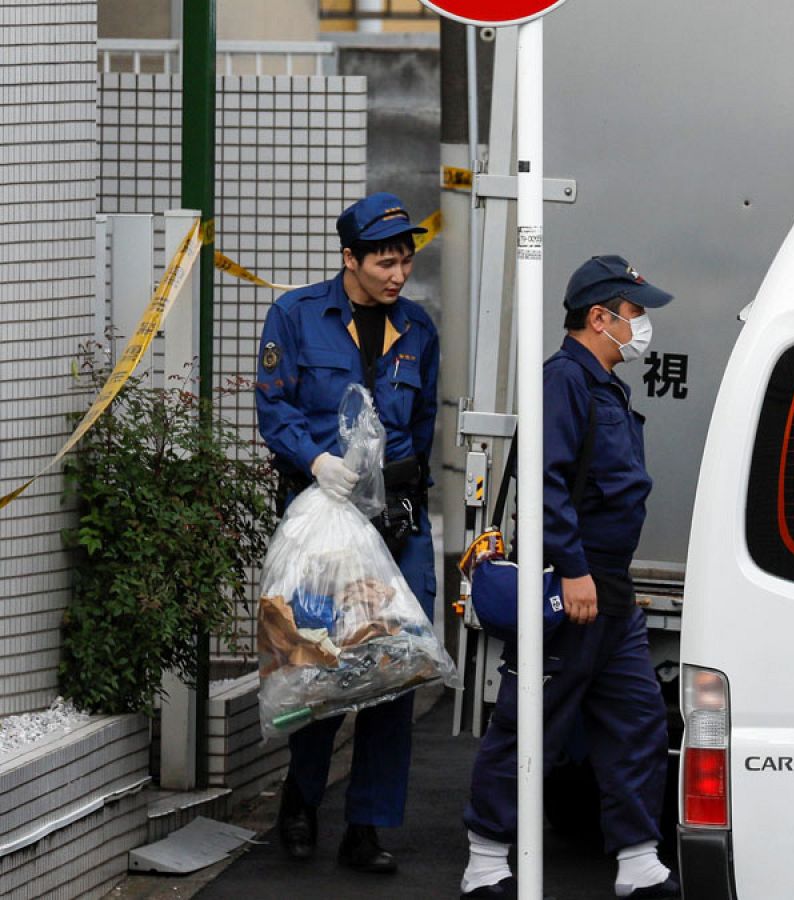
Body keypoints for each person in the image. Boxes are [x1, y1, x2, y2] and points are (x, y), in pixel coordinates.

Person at [458, 255, 678, 899]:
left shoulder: (605, 384)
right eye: (636, 314)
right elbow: (545, 483)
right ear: (599, 316)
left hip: (611, 587)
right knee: (532, 722)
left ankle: (638, 860)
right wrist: (575, 570)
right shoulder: (564, 380)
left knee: (637, 721)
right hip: (570, 583)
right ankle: (485, 862)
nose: (642, 327)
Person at [255, 192, 440, 871]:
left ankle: (366, 826)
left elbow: (422, 428)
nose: (397, 275)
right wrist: (316, 460)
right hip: (322, 524)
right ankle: (301, 801)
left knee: (396, 666)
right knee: (318, 668)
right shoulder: (298, 316)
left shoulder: (417, 329)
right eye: (385, 262)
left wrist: (407, 497)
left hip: (395, 526)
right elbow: (273, 411)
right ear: (350, 260)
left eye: (405, 261)